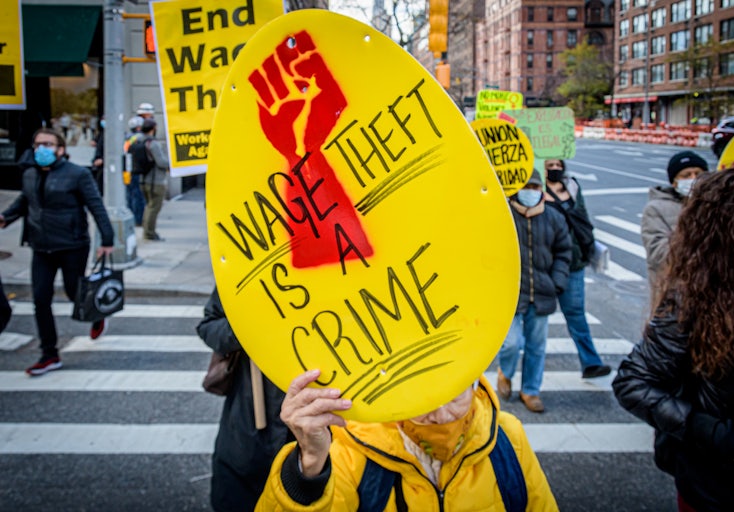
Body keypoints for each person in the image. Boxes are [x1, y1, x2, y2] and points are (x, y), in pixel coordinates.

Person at [613, 167, 734, 511]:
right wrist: (724, 438)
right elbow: (633, 383)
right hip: (724, 489)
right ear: (722, 236)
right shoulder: (693, 299)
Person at [256, 370, 559, 510]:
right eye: (423, 400)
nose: (440, 416)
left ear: (475, 382)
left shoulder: (507, 438)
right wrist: (309, 468)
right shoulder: (348, 450)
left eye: (454, 395)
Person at [0, 128, 114, 376]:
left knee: (76, 293)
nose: (43, 149)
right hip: (41, 246)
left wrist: (107, 238)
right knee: (40, 299)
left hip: (72, 245)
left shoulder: (78, 174)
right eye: (38, 143)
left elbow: (96, 206)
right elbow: (25, 201)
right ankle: (49, 354)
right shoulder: (29, 174)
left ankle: (95, 315)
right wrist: (6, 218)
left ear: (61, 149)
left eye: (49, 144)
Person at [196, 287, 293, 512]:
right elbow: (209, 326)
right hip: (248, 425)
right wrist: (247, 327)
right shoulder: (243, 270)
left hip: (316, 432)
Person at [497, 171, 571, 412]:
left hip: (542, 294)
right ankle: (505, 372)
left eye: (535, 186)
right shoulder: (503, 216)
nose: (530, 191)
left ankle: (531, 390)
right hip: (510, 295)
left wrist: (556, 282)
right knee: (510, 343)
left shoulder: (554, 218)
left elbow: (564, 252)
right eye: (526, 186)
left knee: (537, 347)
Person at [543, 158, 611, 379]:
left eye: (557, 165)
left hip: (573, 262)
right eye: (549, 166)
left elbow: (583, 217)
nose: (554, 169)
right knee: (532, 320)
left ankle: (591, 362)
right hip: (543, 264)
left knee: (576, 314)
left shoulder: (572, 186)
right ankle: (517, 372)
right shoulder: (532, 188)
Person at [641, 150, 708, 307]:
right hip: (674, 300)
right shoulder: (656, 209)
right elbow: (659, 255)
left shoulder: (715, 205)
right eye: (686, 175)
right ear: (674, 182)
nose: (694, 179)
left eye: (698, 173)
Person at [136, 119, 169, 241]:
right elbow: (161, 162)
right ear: (153, 128)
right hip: (156, 181)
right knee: (154, 207)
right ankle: (150, 233)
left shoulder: (139, 140)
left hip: (143, 179)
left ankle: (147, 231)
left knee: (149, 207)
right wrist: (173, 164)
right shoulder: (153, 144)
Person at [124, 116, 146, 226]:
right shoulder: (140, 139)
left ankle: (131, 217)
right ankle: (138, 219)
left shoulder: (127, 138)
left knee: (129, 195)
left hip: (127, 171)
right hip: (137, 171)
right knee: (138, 196)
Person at [91, 117, 105, 195]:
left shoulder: (113, 134)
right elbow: (95, 142)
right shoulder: (102, 132)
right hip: (98, 162)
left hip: (103, 163)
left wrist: (103, 159)